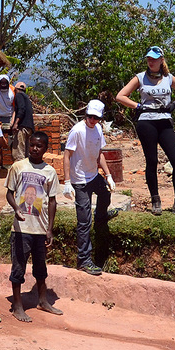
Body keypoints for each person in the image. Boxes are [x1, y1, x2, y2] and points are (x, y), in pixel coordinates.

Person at [115, 46, 175, 216]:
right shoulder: (140, 78)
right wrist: (137, 106)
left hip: (165, 121)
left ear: (161, 60)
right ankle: (155, 200)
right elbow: (121, 96)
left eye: (154, 59)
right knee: (151, 161)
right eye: (148, 59)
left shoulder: (168, 78)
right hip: (146, 122)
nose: (150, 62)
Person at [6, 132, 62, 322]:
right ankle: (17, 305)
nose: (35, 149)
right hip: (21, 229)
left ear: (45, 148)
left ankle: (43, 301)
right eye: (32, 145)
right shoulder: (18, 167)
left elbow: (52, 201)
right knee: (18, 268)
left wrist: (49, 229)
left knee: (40, 267)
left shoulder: (50, 172)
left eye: (39, 146)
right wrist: (16, 209)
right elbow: (9, 193)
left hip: (40, 229)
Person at [63, 99, 115, 276]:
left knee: (105, 194)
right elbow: (67, 155)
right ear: (86, 115)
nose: (92, 120)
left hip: (93, 175)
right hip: (80, 180)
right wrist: (67, 181)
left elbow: (99, 154)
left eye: (96, 118)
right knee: (84, 221)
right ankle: (84, 260)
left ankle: (101, 216)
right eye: (90, 117)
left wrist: (108, 175)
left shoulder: (98, 129)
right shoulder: (77, 131)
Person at [12, 81, 35, 163]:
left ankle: (19, 170)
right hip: (29, 128)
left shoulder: (19, 95)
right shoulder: (27, 98)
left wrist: (16, 123)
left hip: (22, 127)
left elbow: (21, 109)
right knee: (26, 153)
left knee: (18, 153)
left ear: (15, 89)